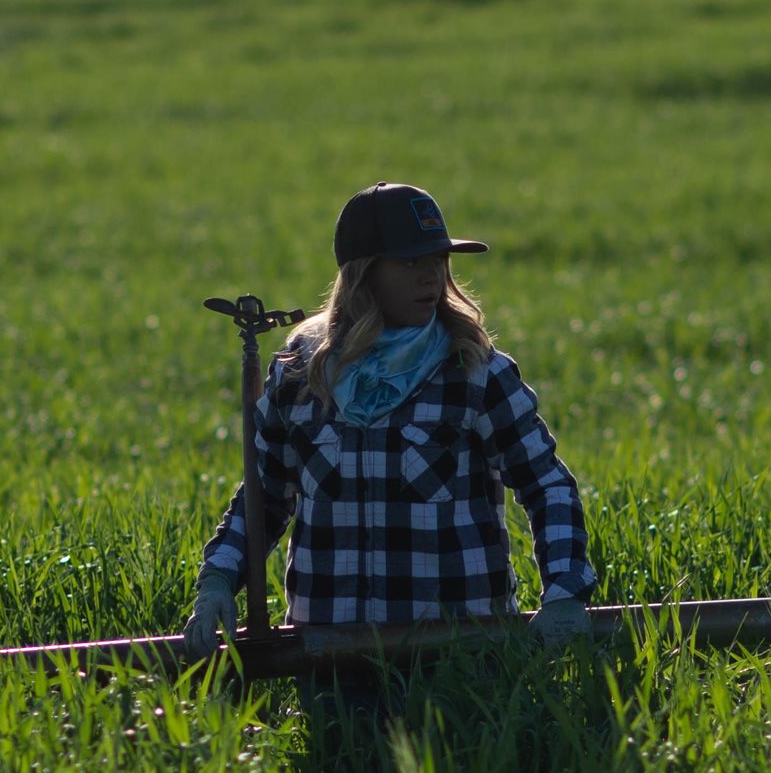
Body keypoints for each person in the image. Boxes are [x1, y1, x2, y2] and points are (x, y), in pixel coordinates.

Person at [184, 181, 596, 654]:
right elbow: (264, 498)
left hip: (458, 659)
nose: (431, 277)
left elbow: (547, 486)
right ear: (363, 274)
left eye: (439, 260)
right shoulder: (302, 372)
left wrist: (565, 593)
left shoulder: (476, 372)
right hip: (325, 660)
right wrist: (218, 578)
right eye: (410, 261)